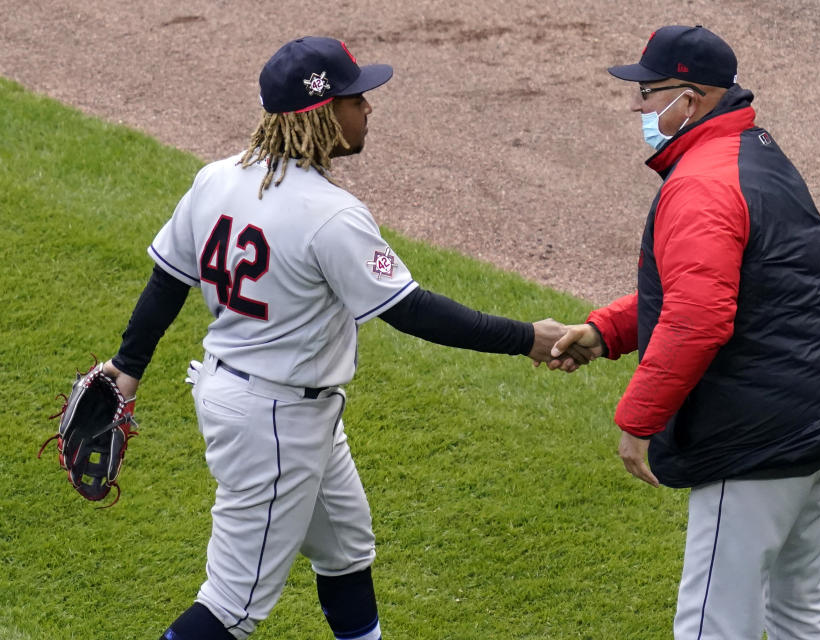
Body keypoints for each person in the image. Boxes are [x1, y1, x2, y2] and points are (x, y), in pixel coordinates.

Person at [98, 36, 568, 640]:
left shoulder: (216, 179)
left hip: (270, 401)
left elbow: (168, 278)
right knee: (231, 608)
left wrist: (128, 363)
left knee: (346, 548)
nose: (368, 107)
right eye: (355, 97)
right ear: (321, 114)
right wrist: (527, 337)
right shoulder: (331, 214)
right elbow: (413, 311)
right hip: (273, 422)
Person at [547, 25, 820, 639]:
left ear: (689, 100)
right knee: (798, 616)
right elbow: (728, 283)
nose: (636, 106)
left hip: (756, 440)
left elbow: (699, 317)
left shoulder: (701, 183)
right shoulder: (756, 150)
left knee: (713, 627)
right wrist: (608, 329)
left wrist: (637, 420)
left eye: (647, 93)